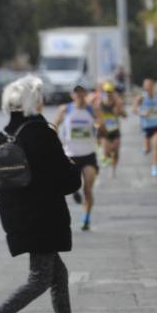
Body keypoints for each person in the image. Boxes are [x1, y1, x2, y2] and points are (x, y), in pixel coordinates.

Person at [0, 75, 96, 313]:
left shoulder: (2, 137)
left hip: (15, 218)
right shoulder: (41, 133)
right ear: (33, 102)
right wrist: (73, 169)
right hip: (44, 218)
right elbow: (67, 182)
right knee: (39, 278)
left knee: (58, 274)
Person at [53, 85, 100, 230]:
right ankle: (74, 191)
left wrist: (100, 128)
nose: (79, 95)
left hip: (88, 155)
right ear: (72, 95)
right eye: (76, 93)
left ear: (85, 94)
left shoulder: (92, 109)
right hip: (71, 155)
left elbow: (101, 125)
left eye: (81, 93)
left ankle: (86, 218)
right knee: (72, 183)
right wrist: (57, 142)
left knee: (87, 189)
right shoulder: (65, 109)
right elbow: (54, 126)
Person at [133, 78, 157, 177]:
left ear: (152, 86)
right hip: (146, 126)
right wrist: (142, 113)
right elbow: (134, 109)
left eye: (150, 85)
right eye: (146, 86)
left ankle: (155, 166)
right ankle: (146, 149)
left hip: (156, 125)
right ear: (144, 87)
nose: (148, 87)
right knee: (148, 149)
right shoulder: (141, 97)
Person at [94, 81, 126, 178]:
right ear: (103, 92)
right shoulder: (99, 104)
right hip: (105, 132)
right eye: (106, 91)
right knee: (107, 152)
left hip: (115, 131)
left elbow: (125, 115)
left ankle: (113, 169)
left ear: (113, 92)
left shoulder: (117, 103)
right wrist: (98, 124)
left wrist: (119, 111)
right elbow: (95, 117)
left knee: (115, 151)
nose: (108, 94)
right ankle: (104, 155)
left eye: (110, 91)